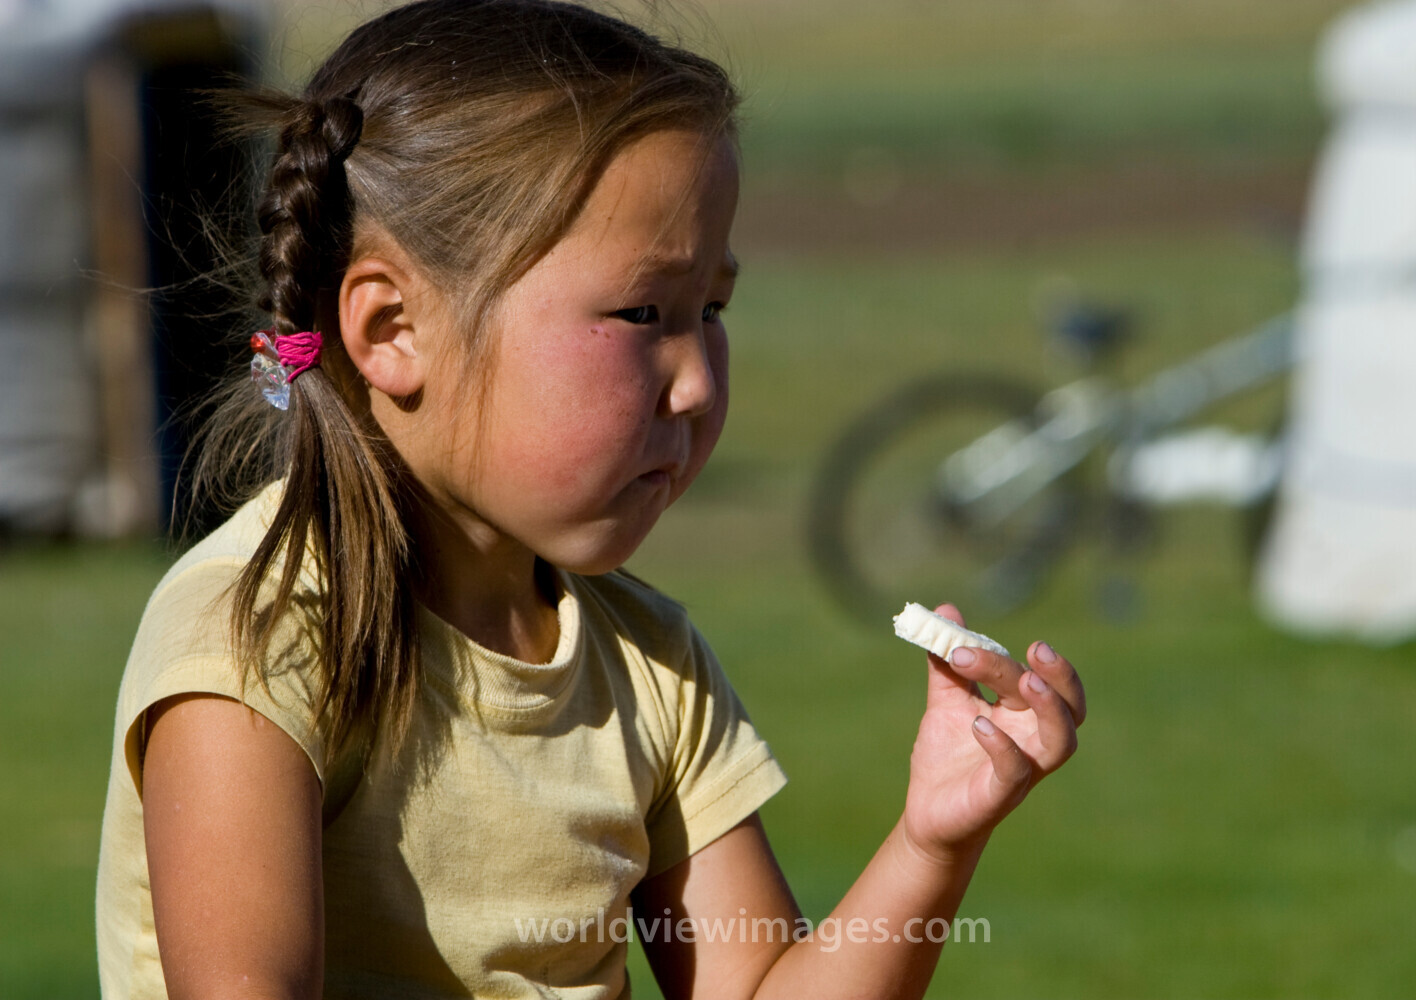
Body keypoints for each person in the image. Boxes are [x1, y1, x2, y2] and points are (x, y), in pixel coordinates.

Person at [94, 2, 1086, 997]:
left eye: (714, 310)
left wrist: (932, 839)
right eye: (644, 312)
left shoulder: (650, 666)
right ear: (392, 326)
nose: (696, 381)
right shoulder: (257, 639)